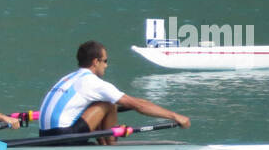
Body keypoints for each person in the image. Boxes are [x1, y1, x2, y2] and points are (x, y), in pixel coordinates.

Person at [39, 40, 190, 142]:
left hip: (44, 135)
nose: (106, 65)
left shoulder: (68, 78)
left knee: (106, 101)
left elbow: (136, 103)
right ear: (95, 62)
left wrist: (140, 103)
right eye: (105, 61)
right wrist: (175, 116)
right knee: (108, 104)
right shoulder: (93, 83)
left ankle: (102, 142)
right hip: (63, 137)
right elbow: (138, 105)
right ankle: (110, 146)